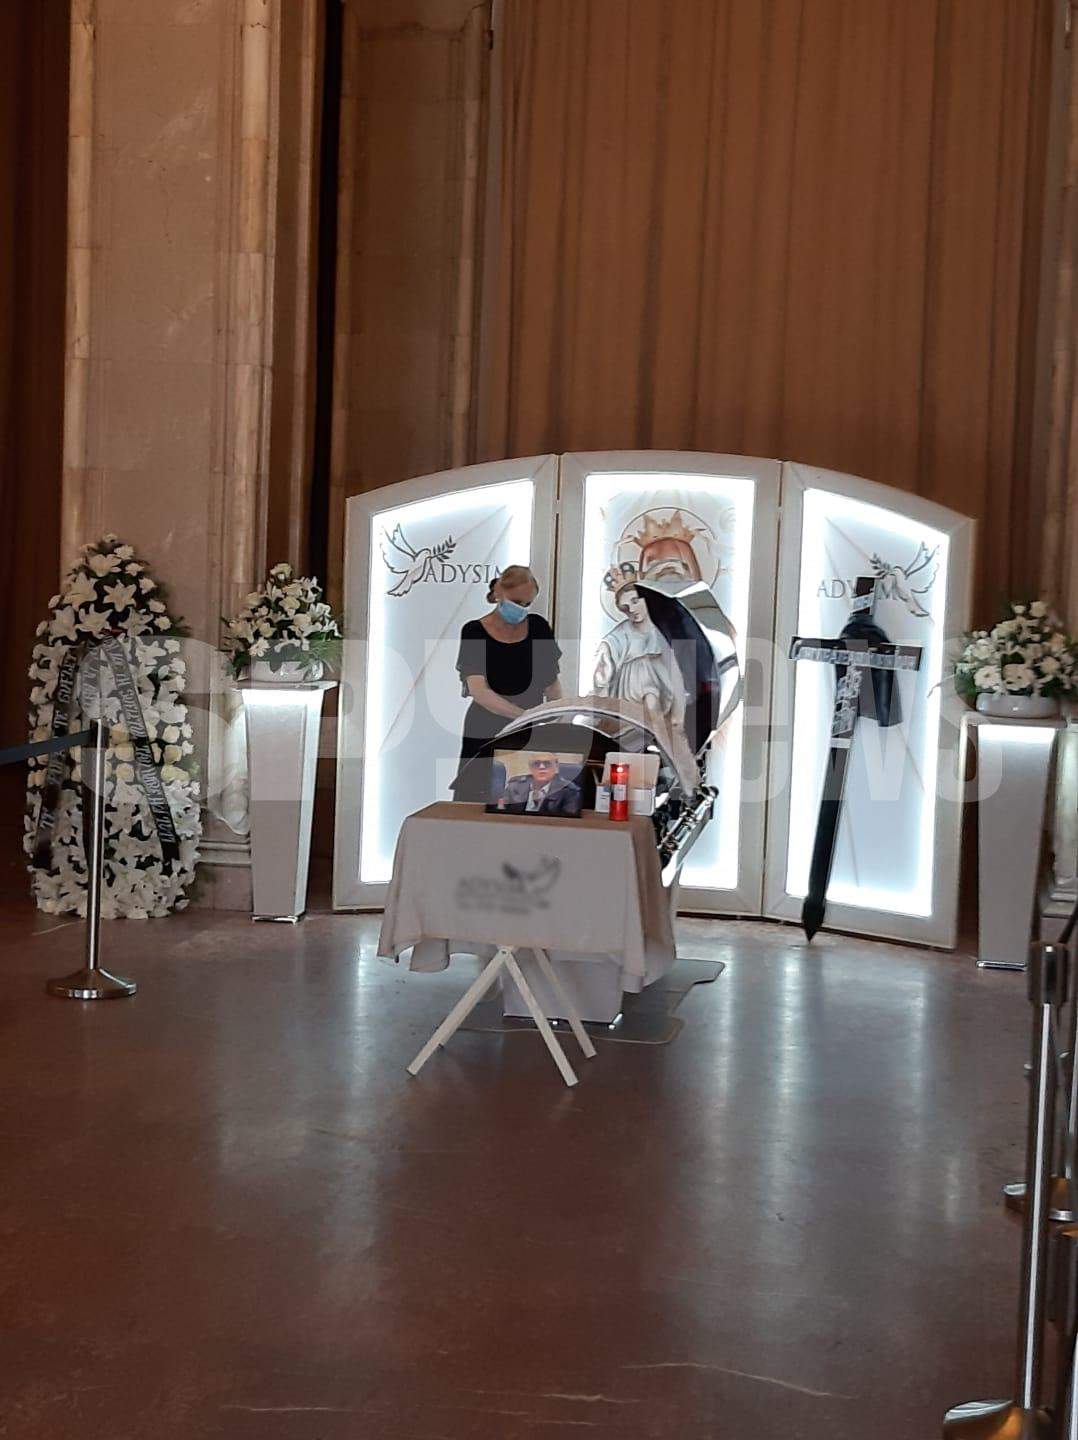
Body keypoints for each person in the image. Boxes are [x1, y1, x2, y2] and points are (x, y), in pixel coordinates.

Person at [453, 564, 562, 800]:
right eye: (516, 601)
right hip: (485, 728)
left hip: (528, 729)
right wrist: (523, 716)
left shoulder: (538, 627)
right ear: (499, 592)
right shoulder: (474, 631)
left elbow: (552, 683)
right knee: (478, 798)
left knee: (526, 796)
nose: (521, 609)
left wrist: (557, 715)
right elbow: (480, 692)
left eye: (527, 604)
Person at [495, 754, 581, 816]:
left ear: (556, 767)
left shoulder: (569, 790)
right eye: (536, 764)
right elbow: (501, 813)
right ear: (530, 768)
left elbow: (569, 821)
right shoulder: (515, 785)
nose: (541, 767)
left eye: (547, 763)